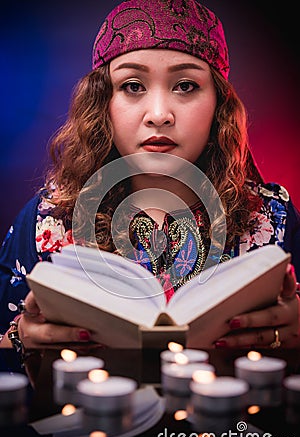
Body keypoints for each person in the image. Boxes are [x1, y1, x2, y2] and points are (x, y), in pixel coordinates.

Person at [0, 0, 299, 355]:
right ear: (103, 103)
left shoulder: (272, 217)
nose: (159, 115)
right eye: (133, 86)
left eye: (186, 86)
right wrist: (20, 340)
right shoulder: (46, 219)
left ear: (218, 104)